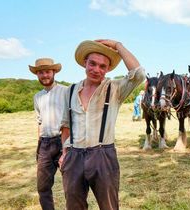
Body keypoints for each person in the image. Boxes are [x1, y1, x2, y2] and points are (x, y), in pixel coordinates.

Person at [59, 39, 145, 210]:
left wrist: (118, 45)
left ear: (107, 69)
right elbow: (66, 125)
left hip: (103, 155)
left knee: (109, 206)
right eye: (92, 64)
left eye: (102, 66)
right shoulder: (70, 91)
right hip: (74, 156)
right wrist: (64, 152)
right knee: (74, 206)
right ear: (85, 63)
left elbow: (139, 74)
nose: (96, 70)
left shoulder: (115, 89)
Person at [29, 58, 68, 210]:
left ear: (54, 72)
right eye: (40, 72)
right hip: (44, 144)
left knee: (71, 185)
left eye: (47, 71)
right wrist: (38, 145)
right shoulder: (37, 97)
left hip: (63, 142)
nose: (44, 75)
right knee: (43, 187)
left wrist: (69, 146)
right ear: (37, 75)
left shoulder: (66, 91)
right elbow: (39, 122)